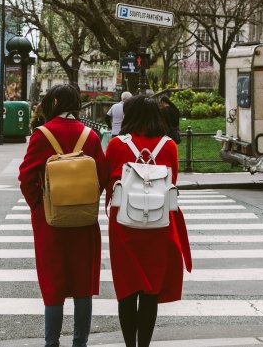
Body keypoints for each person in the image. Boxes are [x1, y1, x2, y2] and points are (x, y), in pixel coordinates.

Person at [18, 84, 109, 347]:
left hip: (50, 221)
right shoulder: (90, 136)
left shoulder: (42, 135)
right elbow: (102, 175)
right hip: (83, 220)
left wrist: (40, 205)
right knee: (83, 285)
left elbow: (26, 177)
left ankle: (52, 343)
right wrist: (84, 200)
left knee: (53, 285)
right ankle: (80, 342)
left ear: (55, 101)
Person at [104, 95, 192, 347]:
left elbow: (107, 183)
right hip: (158, 224)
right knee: (150, 289)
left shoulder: (117, 144)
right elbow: (172, 180)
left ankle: (129, 345)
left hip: (123, 225)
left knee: (127, 288)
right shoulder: (169, 146)